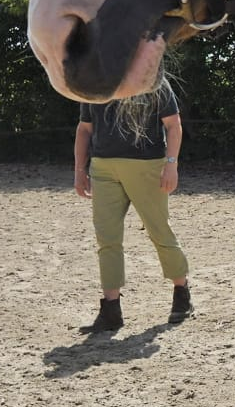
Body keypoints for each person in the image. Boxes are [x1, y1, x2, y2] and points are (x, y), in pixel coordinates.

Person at [73, 80, 194, 333]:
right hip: (103, 167)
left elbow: (173, 124)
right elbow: (85, 128)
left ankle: (181, 292)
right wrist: (79, 170)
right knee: (107, 238)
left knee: (159, 231)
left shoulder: (152, 80)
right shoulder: (94, 80)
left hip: (147, 165)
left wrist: (171, 164)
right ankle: (111, 309)